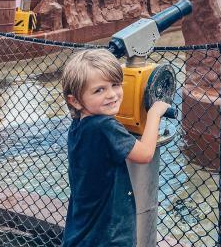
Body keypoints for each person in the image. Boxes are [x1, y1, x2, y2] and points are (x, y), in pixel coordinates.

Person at [61, 49, 170, 246]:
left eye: (115, 85)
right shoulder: (105, 127)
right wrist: (154, 113)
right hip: (109, 235)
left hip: (82, 231)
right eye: (99, 90)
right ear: (75, 101)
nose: (112, 95)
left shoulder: (79, 126)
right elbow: (145, 154)